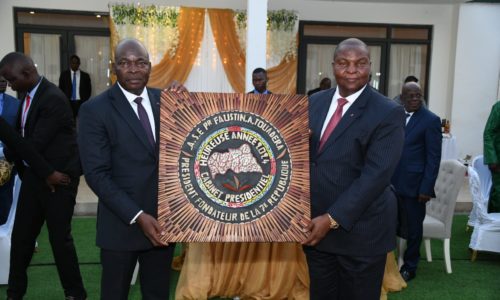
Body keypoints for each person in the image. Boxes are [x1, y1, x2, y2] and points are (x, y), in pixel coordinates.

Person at [78, 38, 185, 299]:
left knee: (157, 294)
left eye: (140, 63)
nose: (133, 69)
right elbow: (96, 174)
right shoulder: (94, 110)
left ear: (150, 67)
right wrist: (137, 215)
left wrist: (187, 105)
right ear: (115, 67)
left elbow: (186, 151)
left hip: (162, 224)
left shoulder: (167, 101)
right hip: (121, 225)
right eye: (125, 63)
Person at [303, 38, 405, 300]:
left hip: (361, 231)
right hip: (316, 230)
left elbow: (376, 176)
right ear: (333, 65)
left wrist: (332, 218)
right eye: (343, 63)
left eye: (360, 64)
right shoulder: (314, 102)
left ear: (370, 67)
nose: (351, 70)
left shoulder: (388, 112)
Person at [0, 52, 86, 300]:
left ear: (27, 74)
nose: (9, 84)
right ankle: (15, 294)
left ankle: (75, 294)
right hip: (38, 178)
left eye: (11, 79)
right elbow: (22, 143)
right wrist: (42, 172)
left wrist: (50, 174)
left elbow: (32, 145)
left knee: (60, 241)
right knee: (21, 240)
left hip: (59, 183)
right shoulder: (27, 95)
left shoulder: (53, 98)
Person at [391, 82, 442, 282]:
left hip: (415, 186)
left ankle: (410, 266)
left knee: (413, 229)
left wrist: (426, 188)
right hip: (391, 183)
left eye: (418, 96)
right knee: (388, 224)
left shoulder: (431, 120)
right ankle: (388, 261)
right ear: (402, 98)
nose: (415, 99)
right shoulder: (395, 116)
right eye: (410, 96)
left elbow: (433, 159)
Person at [0, 75, 19, 224]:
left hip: (7, 160)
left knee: (6, 199)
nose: (3, 81)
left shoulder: (16, 104)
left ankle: (5, 235)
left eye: (4, 79)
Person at [58, 54, 92, 118]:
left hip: (81, 103)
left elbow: (89, 90)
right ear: (70, 63)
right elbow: (61, 89)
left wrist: (84, 100)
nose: (74, 65)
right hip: (68, 103)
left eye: (76, 63)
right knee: (70, 122)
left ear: (79, 64)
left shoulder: (85, 76)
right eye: (73, 63)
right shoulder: (64, 75)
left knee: (82, 121)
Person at [483, 101, 500, 213]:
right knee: (498, 194)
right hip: (498, 159)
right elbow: (488, 133)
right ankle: (494, 225)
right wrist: (492, 158)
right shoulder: (498, 107)